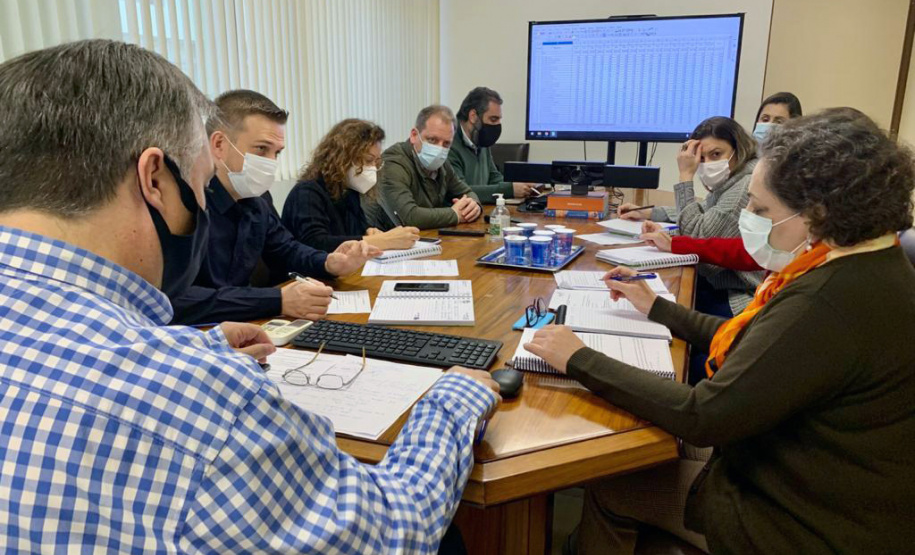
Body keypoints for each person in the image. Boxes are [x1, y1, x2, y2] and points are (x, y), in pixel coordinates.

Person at [0, 39, 500, 554]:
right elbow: (395, 530)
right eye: (196, 189)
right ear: (154, 178)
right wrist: (455, 397)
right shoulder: (194, 398)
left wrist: (210, 342)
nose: (202, 205)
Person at [527, 109, 915, 554]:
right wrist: (656, 306)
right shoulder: (866, 265)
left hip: (804, 521)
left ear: (818, 213)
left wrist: (578, 357)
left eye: (761, 208)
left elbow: (702, 415)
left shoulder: (827, 299)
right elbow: (753, 340)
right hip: (808, 472)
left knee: (615, 485)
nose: (748, 215)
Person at [170, 90, 380, 325]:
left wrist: (329, 262)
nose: (270, 162)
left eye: (277, 153)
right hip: (197, 334)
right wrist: (277, 299)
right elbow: (176, 300)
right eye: (261, 149)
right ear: (219, 145)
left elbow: (286, 249)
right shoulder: (184, 202)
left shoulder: (258, 199)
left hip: (246, 326)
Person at [618, 116, 763, 317]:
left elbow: (695, 233)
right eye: (701, 158)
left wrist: (685, 175)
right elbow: (703, 211)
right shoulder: (736, 178)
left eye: (716, 154)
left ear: (739, 149)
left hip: (736, 297)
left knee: (656, 300)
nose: (708, 163)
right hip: (720, 285)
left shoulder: (743, 188)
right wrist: (649, 212)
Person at [282, 118, 421, 252]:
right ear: (342, 157)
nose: (373, 168)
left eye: (376, 162)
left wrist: (369, 231)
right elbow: (315, 243)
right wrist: (383, 240)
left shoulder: (349, 190)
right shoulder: (307, 193)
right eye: (368, 160)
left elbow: (356, 232)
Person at [373, 105, 483, 230]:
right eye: (432, 140)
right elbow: (409, 216)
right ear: (414, 135)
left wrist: (474, 205)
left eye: (446, 143)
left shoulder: (442, 163)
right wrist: (454, 214)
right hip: (388, 244)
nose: (439, 148)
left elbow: (466, 192)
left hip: (427, 239)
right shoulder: (393, 163)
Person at [448, 86, 537, 204]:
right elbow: (461, 192)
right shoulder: (448, 144)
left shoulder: (480, 139)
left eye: (499, 120)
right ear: (473, 116)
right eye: (493, 119)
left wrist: (520, 186)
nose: (497, 125)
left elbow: (493, 177)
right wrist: (510, 190)